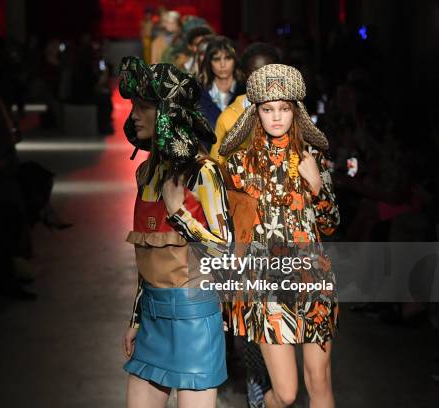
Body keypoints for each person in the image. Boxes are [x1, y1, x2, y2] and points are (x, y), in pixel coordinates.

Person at [219, 64, 337, 408]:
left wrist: (317, 187)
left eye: (285, 109)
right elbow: (233, 231)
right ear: (256, 112)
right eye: (268, 109)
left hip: (313, 277)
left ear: (296, 111)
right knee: (285, 394)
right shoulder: (239, 164)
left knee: (320, 380)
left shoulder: (313, 157)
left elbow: (330, 224)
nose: (277, 117)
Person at [118, 57, 233, 408]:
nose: (134, 114)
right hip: (152, 318)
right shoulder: (146, 174)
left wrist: (179, 213)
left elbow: (225, 252)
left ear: (168, 114)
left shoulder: (204, 173)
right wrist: (136, 318)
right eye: (133, 106)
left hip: (195, 321)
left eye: (144, 107)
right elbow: (146, 260)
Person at [211, 42, 280, 165]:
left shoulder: (291, 112)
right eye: (255, 72)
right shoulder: (228, 118)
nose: (262, 78)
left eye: (268, 71)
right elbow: (216, 166)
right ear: (244, 75)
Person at [199, 36, 244, 141]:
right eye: (216, 59)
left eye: (228, 58)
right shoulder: (199, 95)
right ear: (209, 62)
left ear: (235, 60)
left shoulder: (245, 93)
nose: (222, 65)